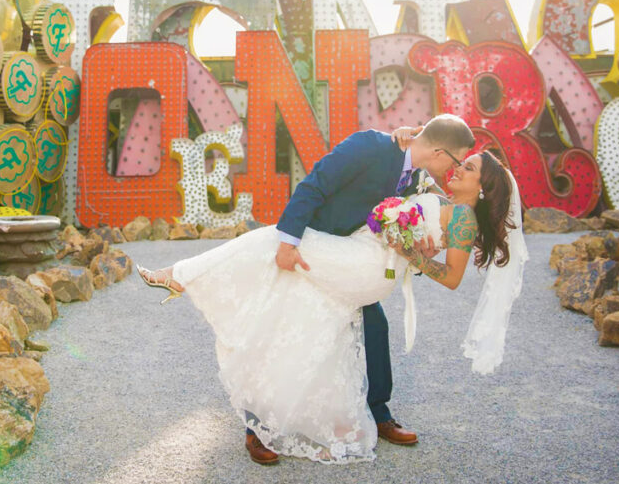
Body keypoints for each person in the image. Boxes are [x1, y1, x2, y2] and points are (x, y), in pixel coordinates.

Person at [138, 119, 525, 464]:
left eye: (464, 167)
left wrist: (411, 250)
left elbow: (437, 253)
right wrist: (291, 241)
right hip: (338, 248)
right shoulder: (376, 147)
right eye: (457, 161)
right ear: (439, 152)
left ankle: (182, 276)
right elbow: (316, 183)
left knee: (274, 252)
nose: (455, 169)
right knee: (308, 321)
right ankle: (261, 425)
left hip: (360, 263)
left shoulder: (431, 184)